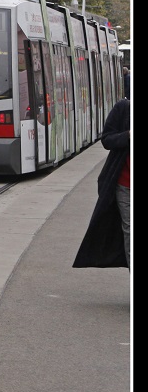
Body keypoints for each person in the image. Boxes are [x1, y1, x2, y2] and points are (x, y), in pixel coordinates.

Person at [73, 96, 130, 269]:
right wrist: (128, 135)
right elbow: (107, 139)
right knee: (130, 231)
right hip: (125, 185)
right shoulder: (123, 108)